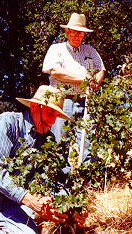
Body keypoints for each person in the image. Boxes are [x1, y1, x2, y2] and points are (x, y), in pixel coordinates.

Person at [0, 85, 87, 233]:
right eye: (49, 113)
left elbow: (58, 179)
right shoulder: (7, 122)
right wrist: (29, 199)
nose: (52, 121)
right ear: (35, 106)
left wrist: (71, 207)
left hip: (12, 204)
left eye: (56, 115)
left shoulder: (49, 141)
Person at [42, 12, 106, 163]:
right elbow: (55, 72)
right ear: (67, 32)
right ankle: (60, 182)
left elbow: (101, 69)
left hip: (85, 101)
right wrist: (83, 80)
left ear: (84, 34)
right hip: (61, 102)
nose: (76, 36)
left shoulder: (90, 51)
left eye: (80, 33)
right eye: (73, 32)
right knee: (59, 142)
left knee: (88, 141)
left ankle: (87, 182)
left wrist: (94, 83)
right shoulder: (56, 49)